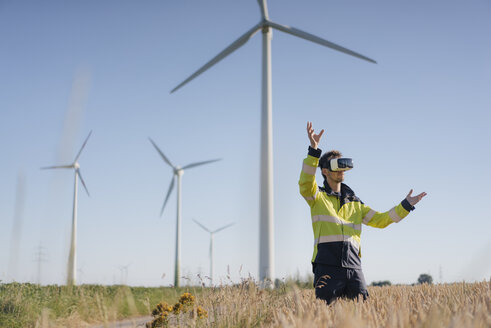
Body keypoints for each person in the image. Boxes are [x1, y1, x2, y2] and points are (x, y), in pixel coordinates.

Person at [299, 122, 427, 304]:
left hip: (353, 267)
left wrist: (406, 205)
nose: (342, 169)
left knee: (363, 313)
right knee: (325, 315)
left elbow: (382, 220)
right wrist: (314, 150)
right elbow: (305, 183)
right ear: (325, 171)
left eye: (344, 165)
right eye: (337, 166)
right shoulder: (317, 197)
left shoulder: (356, 203)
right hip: (326, 266)